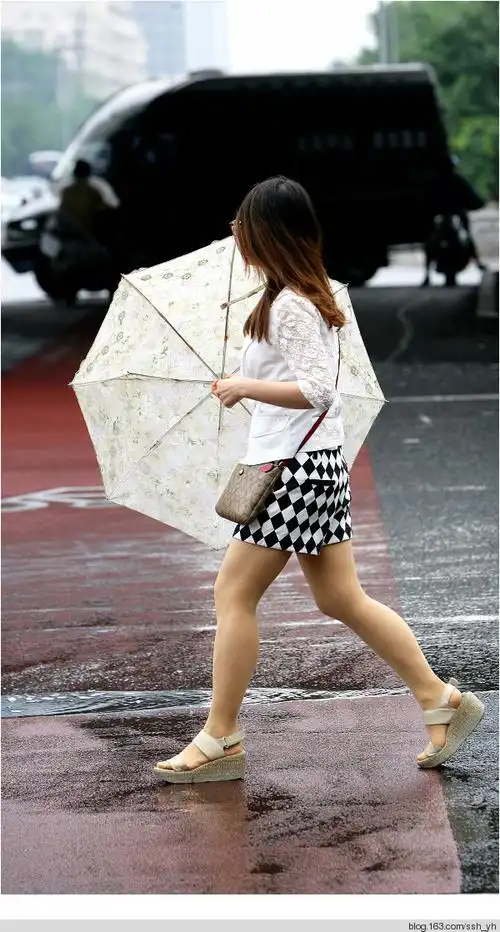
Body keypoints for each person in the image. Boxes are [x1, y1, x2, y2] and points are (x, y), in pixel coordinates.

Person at [154, 176, 485, 784]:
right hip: (314, 467)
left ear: (268, 232)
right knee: (340, 598)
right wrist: (249, 385)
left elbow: (317, 391)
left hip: (293, 473)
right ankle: (441, 699)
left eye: (242, 224)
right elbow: (304, 386)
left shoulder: (292, 305)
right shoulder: (295, 297)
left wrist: (246, 386)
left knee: (233, 594)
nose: (235, 233)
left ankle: (220, 737)